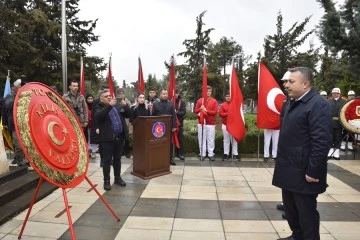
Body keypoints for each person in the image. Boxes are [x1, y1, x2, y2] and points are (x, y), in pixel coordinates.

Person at [272, 67, 332, 240]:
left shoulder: (318, 104)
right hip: (289, 167)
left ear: (305, 84)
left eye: (291, 81)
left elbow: (321, 142)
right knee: (291, 208)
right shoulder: (292, 101)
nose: (286, 85)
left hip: (305, 170)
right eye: (286, 81)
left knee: (306, 213)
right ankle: (296, 235)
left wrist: (313, 170)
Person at [94, 90, 131, 190]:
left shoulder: (117, 106)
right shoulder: (98, 107)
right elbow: (99, 117)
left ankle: (117, 178)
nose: (109, 97)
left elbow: (128, 114)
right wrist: (109, 106)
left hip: (119, 138)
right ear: (101, 99)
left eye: (110, 95)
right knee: (107, 161)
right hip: (107, 139)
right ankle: (106, 181)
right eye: (106, 96)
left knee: (117, 159)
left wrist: (125, 106)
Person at [2, 79, 29, 167]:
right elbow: (5, 110)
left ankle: (24, 160)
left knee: (26, 144)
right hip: (14, 125)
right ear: (14, 88)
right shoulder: (9, 98)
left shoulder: (26, 97)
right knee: (18, 145)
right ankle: (20, 162)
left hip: (25, 125)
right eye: (20, 86)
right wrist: (4, 123)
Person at [152, 89, 177, 166]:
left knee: (168, 144)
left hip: (168, 128)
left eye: (166, 94)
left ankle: (169, 159)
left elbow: (173, 116)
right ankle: (158, 159)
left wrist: (174, 126)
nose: (165, 95)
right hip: (158, 129)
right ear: (160, 94)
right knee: (158, 144)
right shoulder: (155, 104)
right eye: (163, 94)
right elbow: (152, 116)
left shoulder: (171, 104)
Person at [194, 86, 218, 161]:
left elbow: (215, 112)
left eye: (209, 91)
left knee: (210, 139)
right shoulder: (200, 101)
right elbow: (196, 111)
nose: (208, 93)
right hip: (201, 123)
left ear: (211, 92)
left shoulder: (214, 101)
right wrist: (200, 108)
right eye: (207, 91)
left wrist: (206, 110)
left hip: (210, 123)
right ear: (204, 92)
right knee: (201, 138)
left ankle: (211, 154)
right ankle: (202, 153)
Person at [219, 92, 239, 161]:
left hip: (233, 125)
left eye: (229, 96)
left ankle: (235, 154)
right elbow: (220, 114)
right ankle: (226, 154)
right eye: (227, 96)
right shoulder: (223, 105)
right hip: (225, 125)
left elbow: (237, 114)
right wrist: (228, 113)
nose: (228, 97)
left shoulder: (234, 105)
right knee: (226, 140)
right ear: (225, 97)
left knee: (234, 140)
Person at [327, 87, 346, 160]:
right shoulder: (328, 101)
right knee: (330, 137)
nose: (335, 94)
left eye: (337, 93)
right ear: (332, 94)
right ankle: (330, 151)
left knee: (338, 137)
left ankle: (336, 152)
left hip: (339, 122)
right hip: (330, 122)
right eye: (334, 93)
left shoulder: (343, 102)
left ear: (339, 94)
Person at [116, 88, 131, 158]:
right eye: (119, 93)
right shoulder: (115, 102)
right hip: (118, 122)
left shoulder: (127, 102)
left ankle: (127, 152)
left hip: (126, 121)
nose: (121, 95)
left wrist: (125, 105)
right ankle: (121, 151)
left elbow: (129, 113)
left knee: (127, 138)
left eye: (122, 93)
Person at [175, 90, 186, 160]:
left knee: (179, 139)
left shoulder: (182, 102)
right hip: (171, 123)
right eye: (174, 93)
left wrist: (176, 112)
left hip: (179, 123)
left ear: (178, 94)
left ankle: (180, 153)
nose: (175, 95)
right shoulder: (170, 101)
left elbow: (184, 112)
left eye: (176, 93)